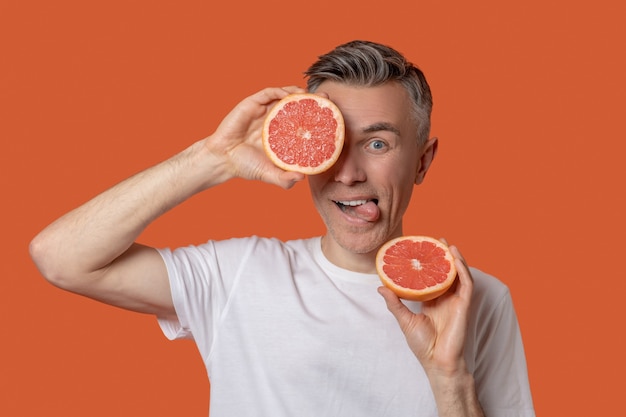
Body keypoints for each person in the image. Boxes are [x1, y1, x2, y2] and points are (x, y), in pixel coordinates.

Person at [30, 40, 535, 416]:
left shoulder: (477, 299)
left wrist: (450, 379)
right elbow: (60, 257)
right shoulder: (239, 276)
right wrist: (212, 159)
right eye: (334, 144)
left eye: (378, 144)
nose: (349, 172)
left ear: (422, 162)